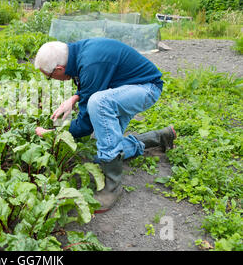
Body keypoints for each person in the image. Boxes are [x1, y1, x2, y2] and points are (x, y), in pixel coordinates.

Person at [34, 38, 176, 213]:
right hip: (123, 88)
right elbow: (94, 80)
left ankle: (112, 187)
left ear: (59, 69)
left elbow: (85, 125)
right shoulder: (78, 53)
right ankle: (158, 137)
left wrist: (53, 133)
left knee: (98, 104)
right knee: (101, 150)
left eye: (49, 77)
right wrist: (74, 98)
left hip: (146, 88)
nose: (53, 80)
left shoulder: (90, 62)